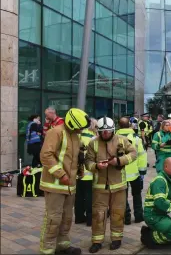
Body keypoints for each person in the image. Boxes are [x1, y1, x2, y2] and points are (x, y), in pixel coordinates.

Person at [39, 108, 89, 255]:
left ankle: (63, 246)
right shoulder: (55, 132)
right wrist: (61, 175)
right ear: (73, 124)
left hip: (70, 185)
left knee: (67, 218)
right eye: (80, 127)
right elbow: (46, 155)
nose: (82, 130)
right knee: (53, 219)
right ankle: (47, 250)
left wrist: (80, 168)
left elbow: (74, 156)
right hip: (55, 185)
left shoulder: (75, 135)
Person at [85, 117, 137, 253]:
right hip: (100, 186)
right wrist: (96, 166)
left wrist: (119, 161)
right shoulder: (93, 143)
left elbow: (133, 153)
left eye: (108, 132)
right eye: (103, 132)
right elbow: (88, 162)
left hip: (118, 185)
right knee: (98, 215)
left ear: (113, 130)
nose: (105, 134)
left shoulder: (121, 140)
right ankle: (97, 241)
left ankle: (116, 239)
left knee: (118, 213)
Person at [140, 157, 171, 248]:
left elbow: (166, 198)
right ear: (166, 167)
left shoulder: (168, 179)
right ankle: (148, 237)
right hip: (153, 216)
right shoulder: (160, 181)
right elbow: (160, 203)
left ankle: (153, 231)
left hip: (160, 214)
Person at [116, 117, 147, 225]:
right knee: (137, 195)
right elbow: (142, 155)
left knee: (122, 197)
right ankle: (138, 216)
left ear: (118, 125)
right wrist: (142, 171)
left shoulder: (114, 138)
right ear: (129, 125)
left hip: (120, 172)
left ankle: (126, 217)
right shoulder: (136, 138)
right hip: (134, 173)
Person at [75, 118, 98, 227]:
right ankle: (90, 219)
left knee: (79, 196)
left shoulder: (78, 135)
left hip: (78, 172)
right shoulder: (94, 138)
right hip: (89, 172)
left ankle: (78, 217)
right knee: (90, 197)